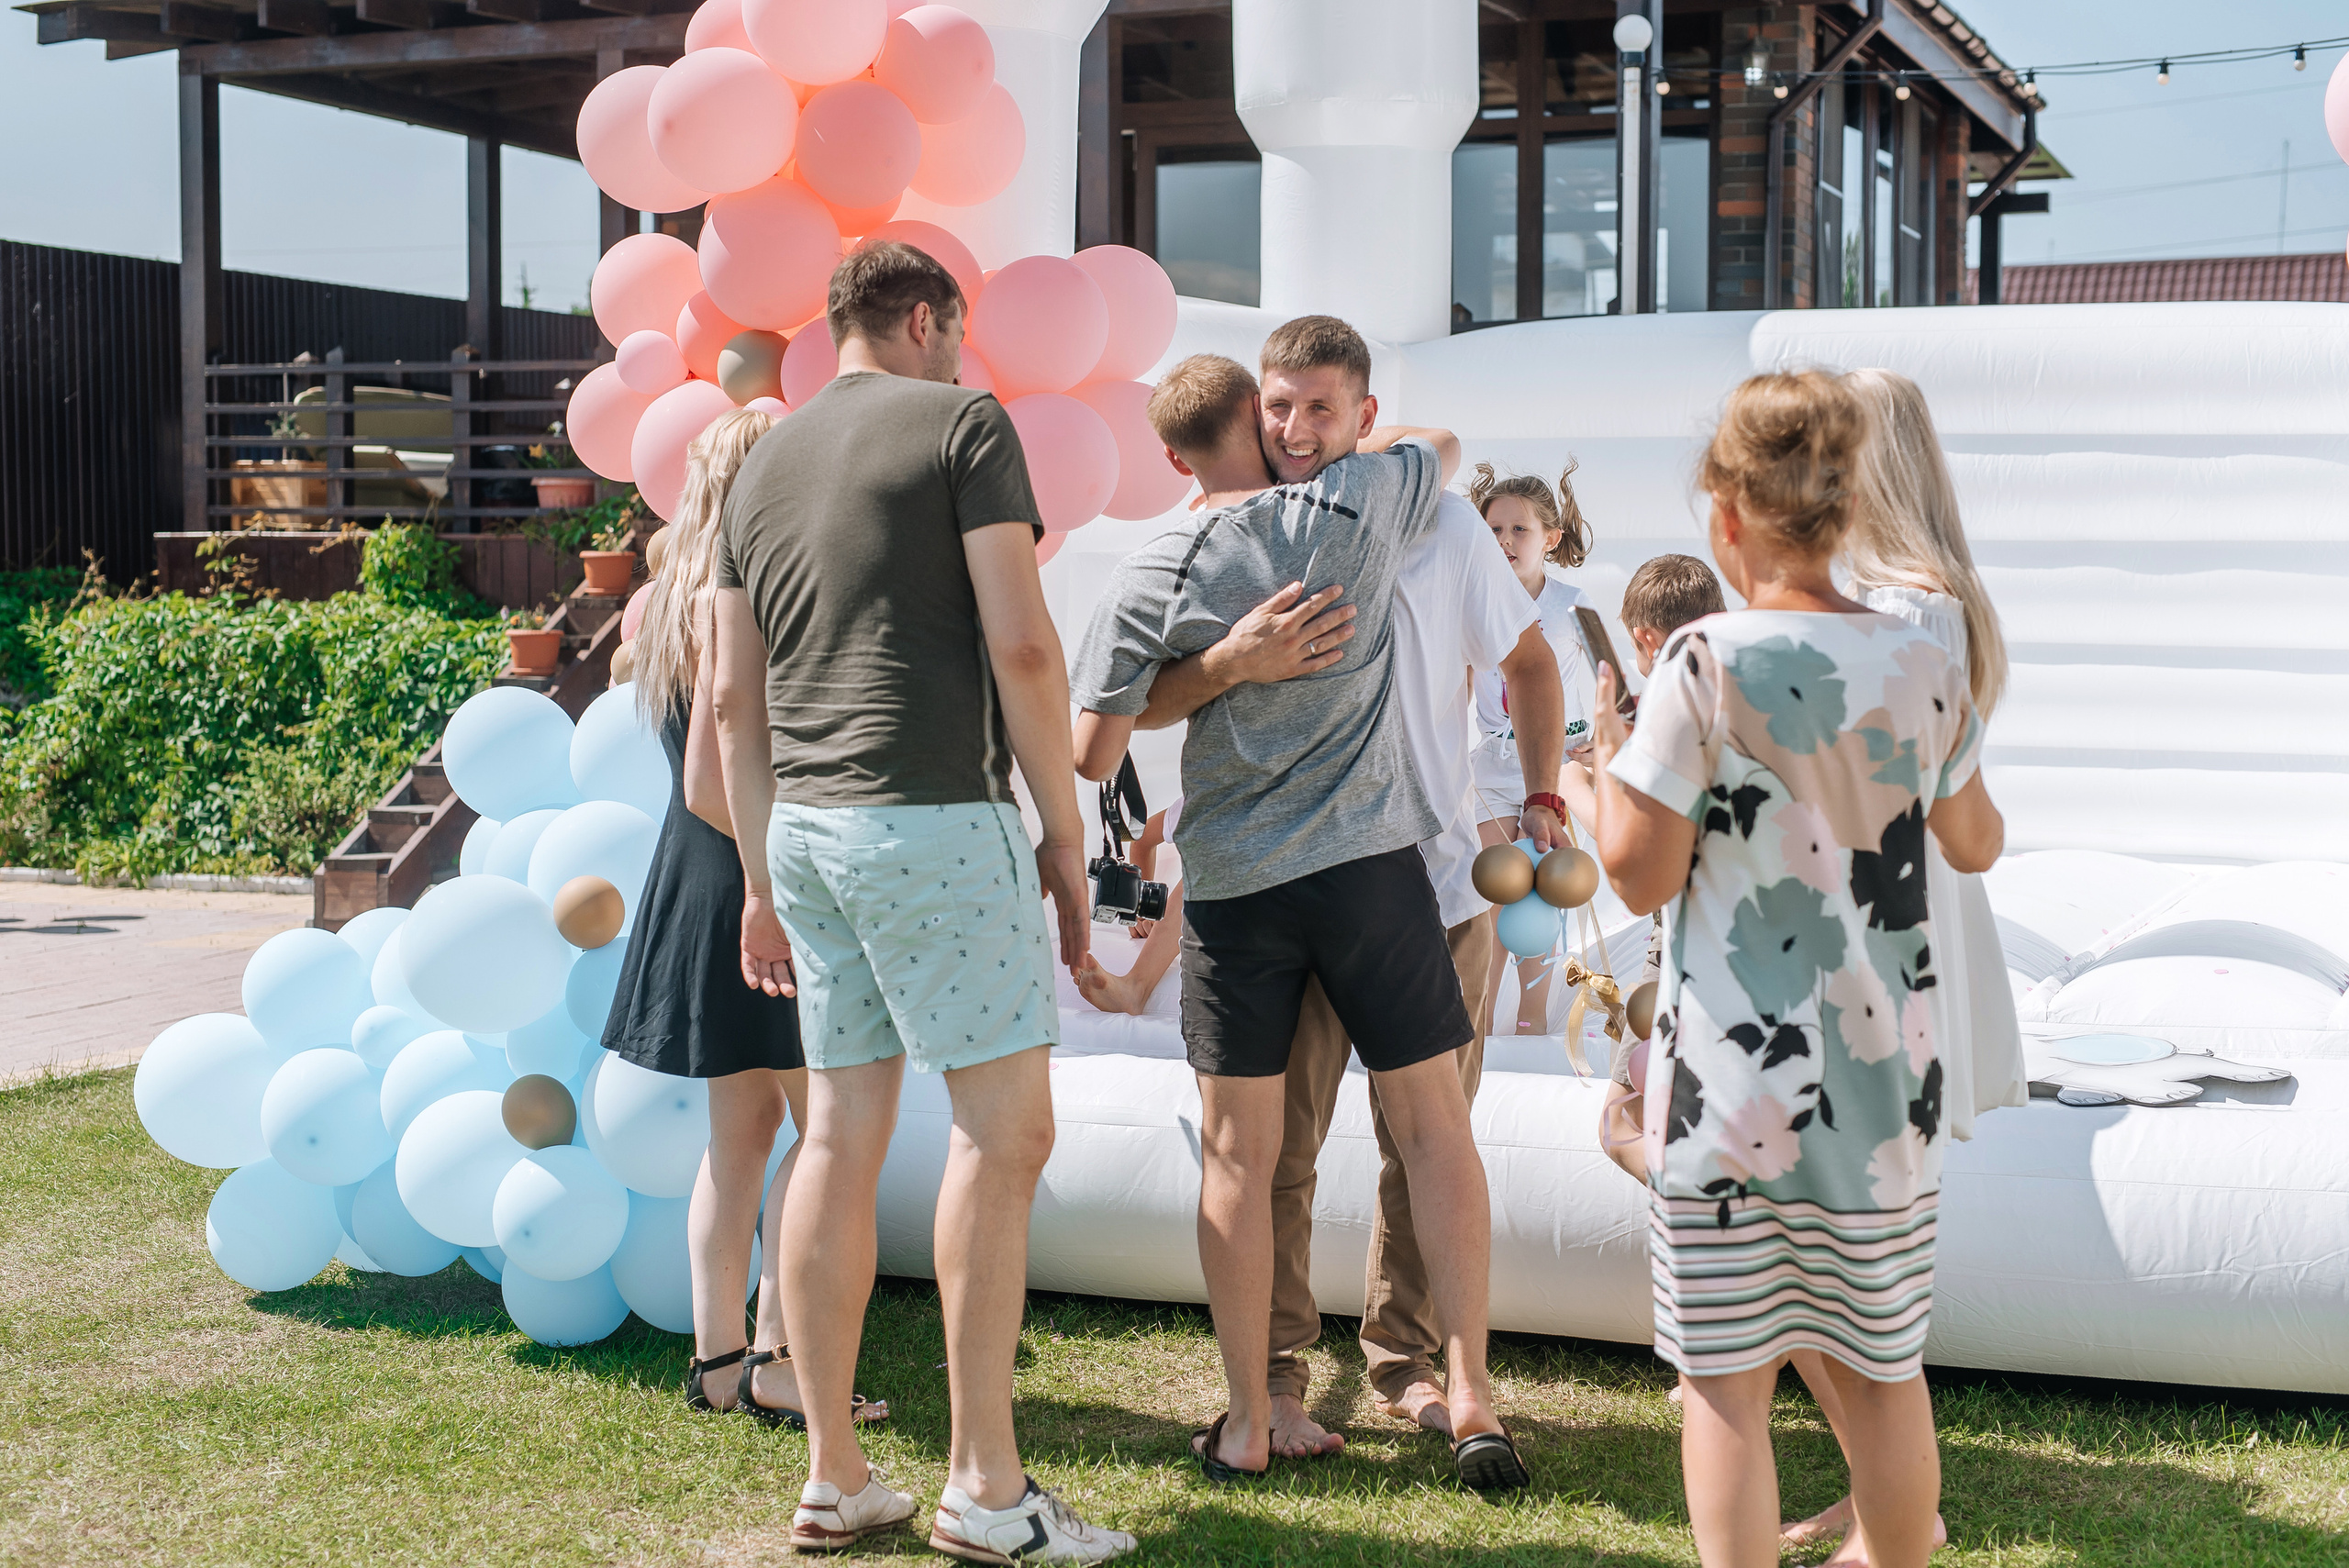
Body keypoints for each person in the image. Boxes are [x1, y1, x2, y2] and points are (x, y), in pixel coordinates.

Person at [709, 239, 1133, 1562]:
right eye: (958, 331)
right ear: (922, 316)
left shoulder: (758, 460)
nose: (967, 356)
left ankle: (836, 1473)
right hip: (934, 820)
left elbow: (733, 698)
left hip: (812, 839)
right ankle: (987, 1488)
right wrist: (1067, 835)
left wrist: (756, 876)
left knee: (834, 1135)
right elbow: (1022, 640)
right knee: (1001, 1137)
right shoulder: (962, 422)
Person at [1067, 331, 1534, 1494]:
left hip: (1233, 891)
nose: (1295, 430)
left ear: (1173, 451)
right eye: (1280, 412)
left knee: (1240, 1155)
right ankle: (1467, 1392)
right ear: (1254, 417)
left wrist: (1221, 664)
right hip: (1372, 873)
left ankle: (1246, 1417)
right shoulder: (1361, 501)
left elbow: (1091, 748)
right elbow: (1443, 445)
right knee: (1433, 1129)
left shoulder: (1151, 565)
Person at [1588, 370, 2006, 1568]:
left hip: (1733, 1094)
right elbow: (1973, 840)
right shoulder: (1926, 665)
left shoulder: (1704, 663)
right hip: (1885, 1094)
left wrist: (1605, 774)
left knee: (1726, 1382)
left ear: (1727, 518)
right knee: (1885, 1374)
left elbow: (1637, 874)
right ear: (1846, 509)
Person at [1776, 366, 2022, 1566]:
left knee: (1836, 1244)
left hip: (1871, 939)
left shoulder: (1903, 608)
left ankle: (1892, 1506)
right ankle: (1881, 1493)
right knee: (1832, 1241)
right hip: (1884, 925)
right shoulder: (1919, 597)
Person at [605, 407, 887, 1432]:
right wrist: (785, 883)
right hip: (750, 881)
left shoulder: (671, 593)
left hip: (695, 878)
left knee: (739, 1140)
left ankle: (720, 1359)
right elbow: (715, 780)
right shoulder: (755, 587)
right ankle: (777, 1360)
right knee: (829, 1139)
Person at [1593, 552, 1725, 1183]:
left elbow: (1639, 867)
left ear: (1645, 640)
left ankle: (1700, 1201)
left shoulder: (1665, 712)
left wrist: (1585, 778)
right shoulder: (1755, 691)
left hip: (1676, 934)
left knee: (1620, 1114)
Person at [1466, 462, 1601, 1037]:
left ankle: (1531, 1020)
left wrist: (1600, 741)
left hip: (1554, 766)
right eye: (1494, 530)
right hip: (1491, 764)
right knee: (1493, 890)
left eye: (1520, 529)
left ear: (1551, 537)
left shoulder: (1572, 605)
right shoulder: (1471, 600)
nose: (1505, 541)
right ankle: (1477, 1018)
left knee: (1541, 899)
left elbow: (1605, 680)